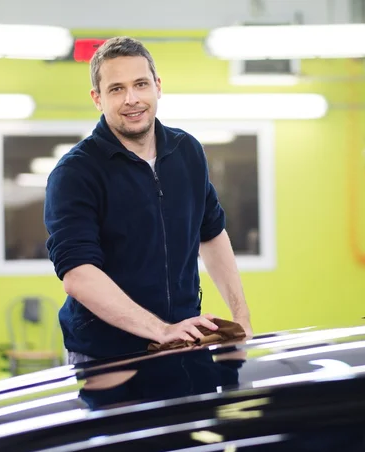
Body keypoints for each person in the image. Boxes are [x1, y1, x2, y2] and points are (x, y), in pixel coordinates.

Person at [44, 36, 252, 365]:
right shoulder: (75, 173)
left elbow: (210, 234)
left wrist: (242, 320)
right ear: (97, 99)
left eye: (141, 84)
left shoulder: (188, 152)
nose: (132, 99)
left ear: (157, 86)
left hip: (181, 342)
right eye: (116, 89)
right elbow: (78, 274)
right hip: (104, 355)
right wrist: (160, 330)